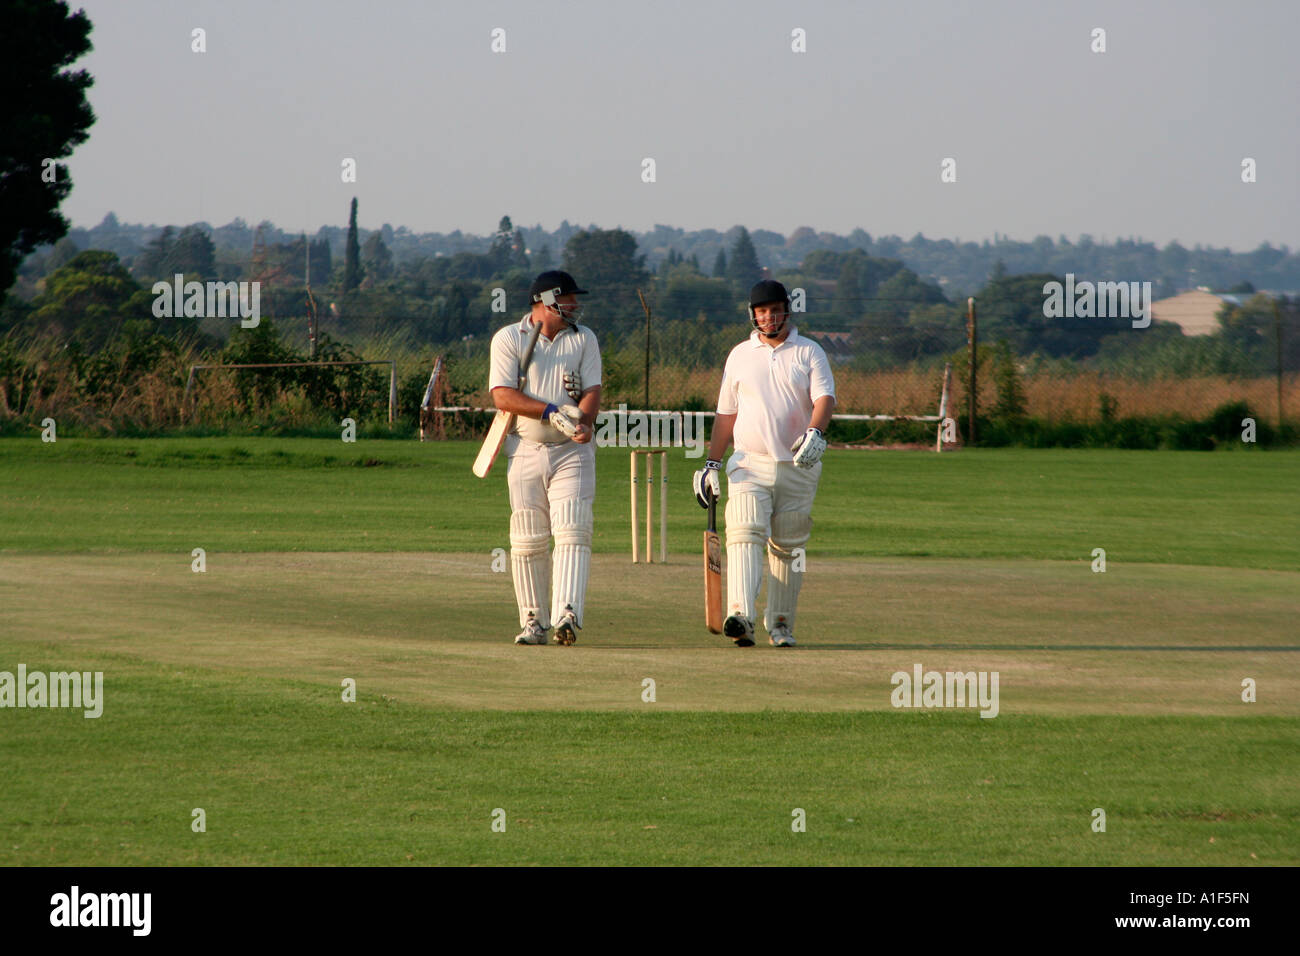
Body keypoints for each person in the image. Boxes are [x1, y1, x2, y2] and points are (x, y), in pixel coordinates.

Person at [693, 279, 835, 647]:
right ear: (752, 314)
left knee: (788, 549)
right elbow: (726, 415)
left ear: (787, 311)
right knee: (743, 533)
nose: (769, 317)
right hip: (748, 464)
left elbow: (825, 399)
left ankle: (781, 624)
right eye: (762, 311)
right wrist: (711, 464)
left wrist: (815, 432)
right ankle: (740, 615)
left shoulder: (809, 351)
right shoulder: (739, 354)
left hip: (798, 466)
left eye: (775, 310)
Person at [488, 270, 602, 646]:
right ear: (547, 300)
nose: (574, 305)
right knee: (527, 539)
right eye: (568, 299)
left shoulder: (583, 338)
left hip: (573, 451)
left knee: (572, 529)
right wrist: (549, 410)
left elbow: (592, 391)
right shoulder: (509, 337)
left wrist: (583, 422)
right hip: (524, 449)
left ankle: (567, 614)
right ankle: (533, 621)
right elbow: (503, 396)